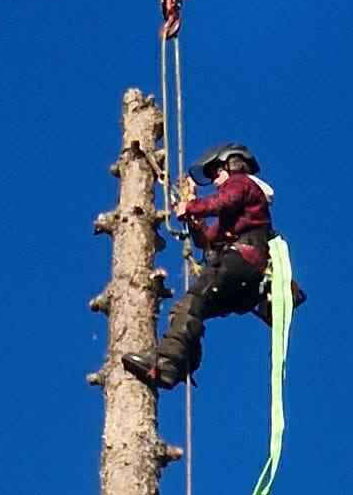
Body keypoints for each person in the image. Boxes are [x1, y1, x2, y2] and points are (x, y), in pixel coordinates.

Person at [123, 143, 294, 390]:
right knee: (186, 309)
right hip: (244, 281)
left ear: (231, 165)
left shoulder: (241, 183)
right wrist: (194, 220)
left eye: (216, 172)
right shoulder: (237, 215)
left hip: (241, 262)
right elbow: (208, 239)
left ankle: (167, 361)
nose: (214, 180)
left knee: (194, 301)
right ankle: (178, 364)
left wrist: (192, 206)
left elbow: (224, 201)